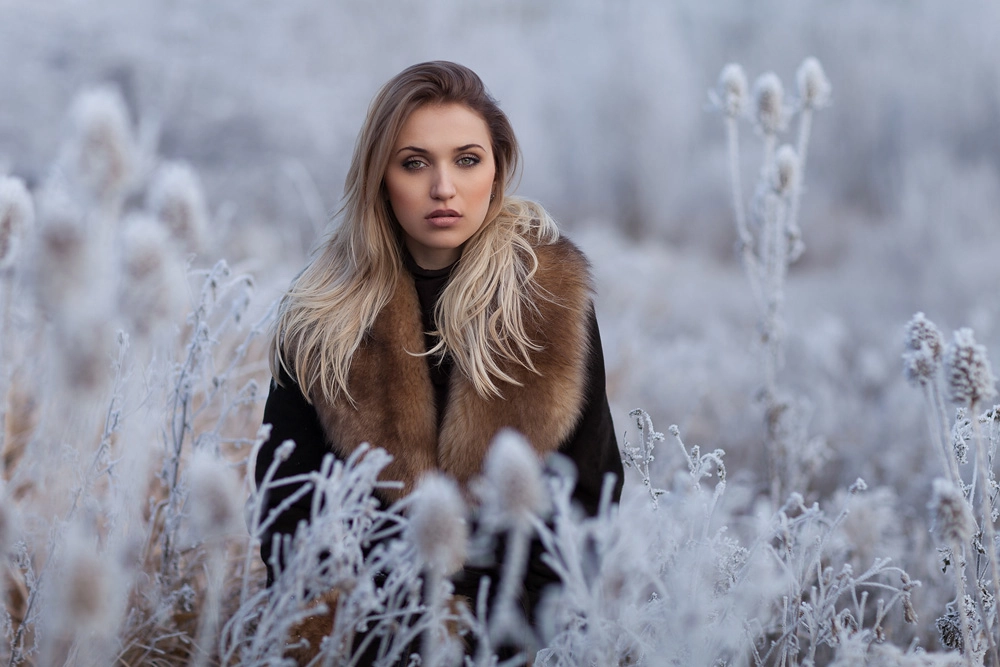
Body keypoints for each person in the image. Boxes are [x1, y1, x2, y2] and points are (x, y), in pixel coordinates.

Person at [254, 60, 623, 660]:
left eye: (467, 160)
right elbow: (289, 511)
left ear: (497, 170)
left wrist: (516, 634)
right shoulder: (321, 317)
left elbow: (588, 492)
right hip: (368, 639)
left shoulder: (549, 301)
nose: (444, 187)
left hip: (518, 638)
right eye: (415, 162)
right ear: (380, 177)